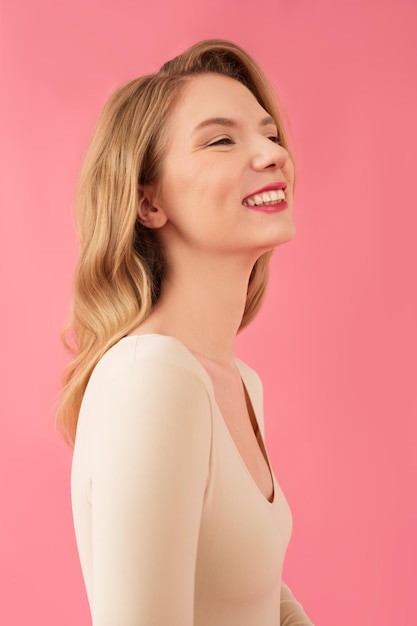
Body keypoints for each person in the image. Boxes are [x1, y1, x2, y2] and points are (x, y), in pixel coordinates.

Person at [58, 39, 314, 625]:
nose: (273, 154)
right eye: (222, 139)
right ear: (147, 200)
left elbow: (260, 598)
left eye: (269, 133)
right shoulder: (152, 377)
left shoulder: (237, 384)